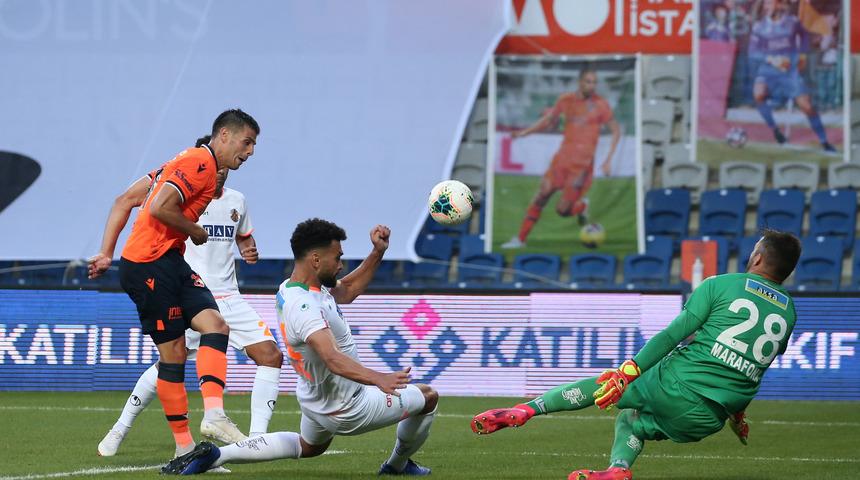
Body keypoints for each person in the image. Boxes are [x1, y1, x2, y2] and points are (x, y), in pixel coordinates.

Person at [473, 229, 801, 480]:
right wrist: (737, 418)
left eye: (754, 249)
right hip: (708, 420)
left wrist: (628, 372)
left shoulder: (722, 285)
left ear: (758, 258)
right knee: (632, 421)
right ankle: (617, 469)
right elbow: (753, 368)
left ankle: (526, 410)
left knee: (608, 385)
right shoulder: (788, 313)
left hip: (677, 385)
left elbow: (673, 335)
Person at [162, 219, 438, 476]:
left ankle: (216, 456)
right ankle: (397, 465)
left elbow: (348, 290)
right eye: (337, 257)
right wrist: (379, 378)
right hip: (347, 406)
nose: (341, 264)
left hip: (315, 399)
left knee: (308, 446)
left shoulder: (293, 288)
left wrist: (377, 252)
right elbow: (331, 358)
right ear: (316, 260)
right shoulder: (305, 307)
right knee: (428, 397)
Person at [97, 136, 284, 458]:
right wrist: (192, 230)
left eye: (222, 169)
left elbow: (243, 237)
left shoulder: (237, 201)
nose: (219, 172)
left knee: (270, 355)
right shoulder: (182, 187)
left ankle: (255, 439)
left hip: (228, 294)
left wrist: (248, 249)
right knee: (170, 360)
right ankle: (120, 428)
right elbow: (137, 203)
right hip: (185, 284)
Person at [501, 66, 621, 249]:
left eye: (594, 82)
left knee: (562, 210)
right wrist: (524, 132)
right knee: (541, 196)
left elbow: (616, 130)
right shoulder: (565, 100)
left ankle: (581, 207)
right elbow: (548, 120)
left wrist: (608, 160)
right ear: (580, 82)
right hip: (562, 161)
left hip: (581, 167)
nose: (592, 85)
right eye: (588, 81)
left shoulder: (601, 105)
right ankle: (520, 239)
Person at [749, 0, 835, 152]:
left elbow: (804, 36)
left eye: (770, 3)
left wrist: (802, 55)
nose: (767, 7)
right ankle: (775, 130)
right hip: (768, 69)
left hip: (790, 71)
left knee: (806, 106)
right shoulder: (759, 27)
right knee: (758, 94)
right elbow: (753, 52)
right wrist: (771, 59)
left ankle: (824, 141)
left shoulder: (792, 22)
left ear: (779, 5)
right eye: (766, 4)